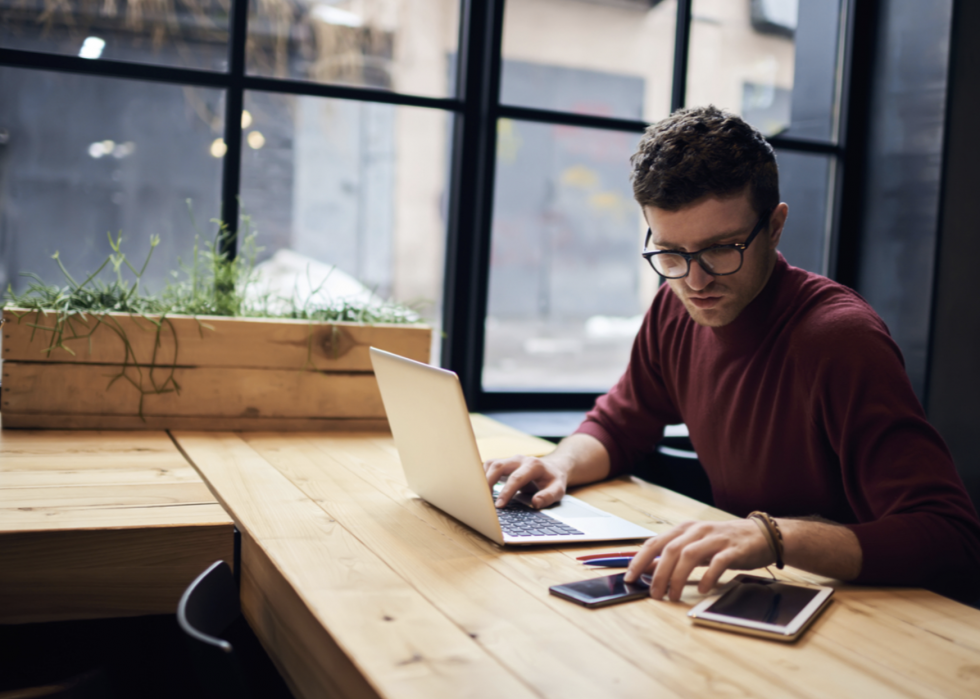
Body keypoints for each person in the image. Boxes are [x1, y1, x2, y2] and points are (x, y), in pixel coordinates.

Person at [485, 105, 980, 604]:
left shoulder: (839, 339)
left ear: (776, 226)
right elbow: (620, 424)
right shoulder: (674, 308)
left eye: (722, 248)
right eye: (671, 253)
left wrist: (772, 536)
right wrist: (561, 463)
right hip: (760, 593)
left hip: (870, 611)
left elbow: (950, 538)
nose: (695, 282)